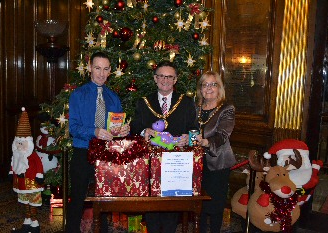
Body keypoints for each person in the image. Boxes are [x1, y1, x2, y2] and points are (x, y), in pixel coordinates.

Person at [130, 60, 198, 233]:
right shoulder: (143, 102)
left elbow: (195, 130)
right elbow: (134, 128)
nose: (165, 80)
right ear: (155, 78)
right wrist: (144, 131)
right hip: (150, 163)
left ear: (175, 80)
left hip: (176, 163)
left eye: (169, 76)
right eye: (161, 76)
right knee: (152, 209)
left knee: (171, 209)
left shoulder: (187, 102)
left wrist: (187, 138)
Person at [66, 51, 130, 233]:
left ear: (110, 71)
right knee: (77, 198)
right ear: (89, 69)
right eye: (97, 68)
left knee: (103, 199)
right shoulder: (78, 95)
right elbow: (73, 128)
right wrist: (94, 132)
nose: (101, 74)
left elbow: (117, 125)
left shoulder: (113, 97)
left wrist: (124, 130)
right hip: (83, 152)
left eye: (105, 69)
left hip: (106, 154)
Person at [195, 71, 236, 233]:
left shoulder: (227, 108)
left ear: (219, 88)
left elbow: (223, 135)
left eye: (213, 84)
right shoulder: (196, 107)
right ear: (200, 89)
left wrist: (206, 142)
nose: (209, 88)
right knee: (200, 203)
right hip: (197, 162)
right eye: (205, 85)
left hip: (218, 162)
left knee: (216, 204)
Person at [9, 107, 44, 233]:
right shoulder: (16, 154)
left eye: (22, 143)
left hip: (33, 183)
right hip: (21, 184)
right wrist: (11, 173)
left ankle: (34, 223)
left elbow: (39, 165)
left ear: (28, 143)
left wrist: (39, 175)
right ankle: (27, 220)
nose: (19, 146)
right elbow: (13, 164)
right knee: (24, 202)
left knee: (33, 203)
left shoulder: (32, 154)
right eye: (18, 143)